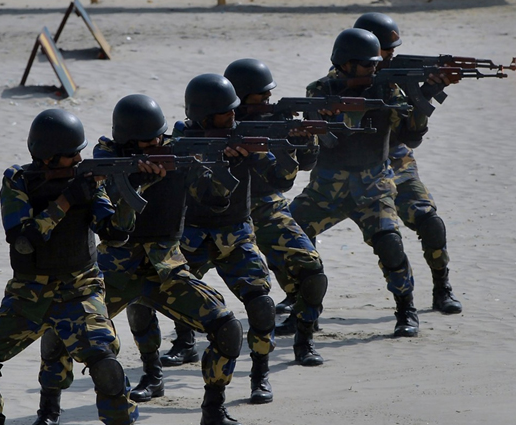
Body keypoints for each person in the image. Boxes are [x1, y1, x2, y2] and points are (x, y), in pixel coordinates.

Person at [26, 94, 246, 425]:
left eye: (158, 136)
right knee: (58, 334)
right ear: (127, 140)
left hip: (166, 271)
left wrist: (222, 163)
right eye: (146, 141)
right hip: (115, 271)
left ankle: (214, 410)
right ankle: (48, 412)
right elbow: (105, 205)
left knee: (226, 326)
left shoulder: (178, 152)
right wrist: (140, 180)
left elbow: (215, 200)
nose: (155, 143)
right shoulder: (106, 159)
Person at [0, 109, 146, 425]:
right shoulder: (17, 180)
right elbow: (24, 241)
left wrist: (129, 188)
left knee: (104, 362)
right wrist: (63, 203)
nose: (80, 159)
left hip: (79, 289)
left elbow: (114, 232)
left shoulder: (89, 181)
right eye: (72, 155)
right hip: (28, 294)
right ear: (47, 157)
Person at [289, 28, 427, 337]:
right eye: (367, 65)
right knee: (288, 238)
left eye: (375, 63)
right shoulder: (319, 90)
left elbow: (409, 135)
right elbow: (332, 141)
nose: (374, 69)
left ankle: (406, 308)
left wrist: (421, 98)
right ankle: (300, 307)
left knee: (390, 244)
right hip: (326, 190)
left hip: (373, 190)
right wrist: (324, 118)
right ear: (346, 64)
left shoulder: (387, 90)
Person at [162, 73, 282, 404]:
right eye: (225, 113)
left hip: (236, 235)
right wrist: (216, 161)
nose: (233, 117)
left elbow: (279, 178)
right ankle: (162, 364)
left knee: (260, 302)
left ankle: (260, 373)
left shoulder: (243, 136)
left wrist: (296, 146)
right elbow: (184, 186)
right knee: (154, 298)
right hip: (191, 236)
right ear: (203, 116)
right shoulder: (181, 141)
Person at [353, 12, 462, 315]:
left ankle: (442, 287)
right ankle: (296, 294)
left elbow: (411, 135)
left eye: (392, 51)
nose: (391, 57)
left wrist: (425, 92)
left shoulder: (396, 80)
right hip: (354, 172)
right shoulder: (342, 79)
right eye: (385, 51)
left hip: (397, 164)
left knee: (430, 222)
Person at [223, 58, 325, 366]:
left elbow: (295, 172)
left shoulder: (274, 121)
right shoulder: (212, 123)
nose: (268, 101)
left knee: (311, 268)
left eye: (270, 96)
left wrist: (299, 143)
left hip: (267, 206)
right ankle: (185, 342)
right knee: (177, 275)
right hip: (220, 214)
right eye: (261, 97)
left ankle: (304, 339)